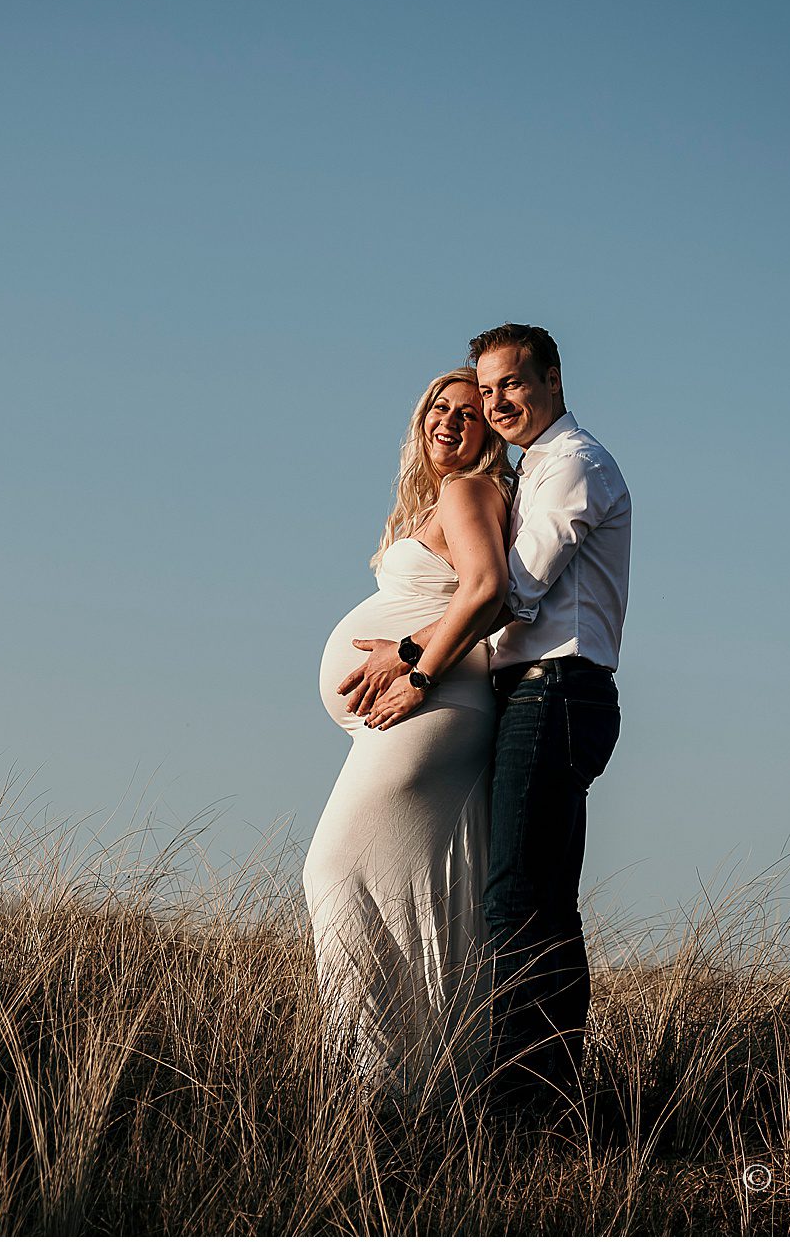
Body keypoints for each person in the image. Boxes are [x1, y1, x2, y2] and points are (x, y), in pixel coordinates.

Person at [340, 323, 630, 1117]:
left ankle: (522, 1111)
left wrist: (412, 658)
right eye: (487, 387)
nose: (498, 401)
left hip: (554, 692)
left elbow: (512, 592)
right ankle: (540, 1096)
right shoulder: (536, 470)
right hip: (530, 696)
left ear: (554, 378)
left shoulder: (573, 465)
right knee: (530, 901)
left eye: (511, 384)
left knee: (518, 907)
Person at [306, 368, 514, 1103]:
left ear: (492, 431)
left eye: (469, 412)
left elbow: (491, 592)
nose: (450, 421)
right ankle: (426, 1087)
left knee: (335, 874)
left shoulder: (469, 492)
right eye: (439, 406)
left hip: (430, 707)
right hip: (424, 712)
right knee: (404, 894)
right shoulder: (448, 498)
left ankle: (378, 1087)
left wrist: (416, 668)